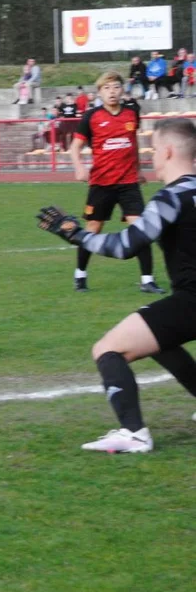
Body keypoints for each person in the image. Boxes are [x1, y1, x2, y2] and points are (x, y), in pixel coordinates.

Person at [36, 117, 196, 453]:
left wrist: (77, 234)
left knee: (108, 349)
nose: (151, 157)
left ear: (168, 151)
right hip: (188, 302)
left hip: (192, 301)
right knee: (158, 340)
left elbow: (125, 246)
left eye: (153, 149)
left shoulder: (169, 199)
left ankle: (134, 433)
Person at [67, 71, 164, 294]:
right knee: (93, 228)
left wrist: (138, 169)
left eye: (116, 87)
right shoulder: (91, 117)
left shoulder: (131, 114)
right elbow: (75, 148)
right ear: (99, 92)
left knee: (141, 229)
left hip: (129, 182)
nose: (112, 92)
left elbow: (133, 145)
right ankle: (80, 275)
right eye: (107, 88)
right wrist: (80, 167)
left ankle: (147, 280)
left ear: (122, 90)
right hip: (101, 183)